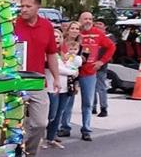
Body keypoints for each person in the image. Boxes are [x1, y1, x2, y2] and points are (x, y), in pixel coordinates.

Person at [13, 0, 60, 157]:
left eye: (28, 6)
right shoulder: (13, 24)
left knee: (40, 123)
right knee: (16, 123)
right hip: (16, 80)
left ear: (37, 7)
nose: (23, 9)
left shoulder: (47, 26)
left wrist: (56, 78)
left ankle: (30, 153)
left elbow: (51, 54)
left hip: (37, 80)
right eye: (22, 6)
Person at [76, 11, 115, 142]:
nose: (87, 21)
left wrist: (101, 61)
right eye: (85, 18)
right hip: (72, 72)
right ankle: (64, 127)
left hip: (89, 72)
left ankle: (86, 129)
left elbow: (111, 47)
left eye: (90, 19)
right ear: (80, 20)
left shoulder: (98, 33)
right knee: (67, 103)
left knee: (87, 102)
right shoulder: (75, 32)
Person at [45, 23, 82, 148]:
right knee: (51, 114)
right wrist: (73, 72)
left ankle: (51, 138)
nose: (56, 39)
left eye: (58, 37)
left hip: (65, 87)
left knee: (59, 114)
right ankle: (42, 138)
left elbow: (72, 64)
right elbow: (57, 68)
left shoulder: (62, 53)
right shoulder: (48, 53)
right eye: (53, 37)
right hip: (52, 87)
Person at [92, 20, 110, 117]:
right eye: (96, 24)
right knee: (92, 88)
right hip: (90, 66)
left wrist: (101, 62)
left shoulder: (108, 37)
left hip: (101, 67)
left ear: (105, 27)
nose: (98, 25)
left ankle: (103, 108)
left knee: (101, 88)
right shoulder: (92, 36)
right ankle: (93, 106)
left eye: (100, 24)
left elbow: (109, 51)